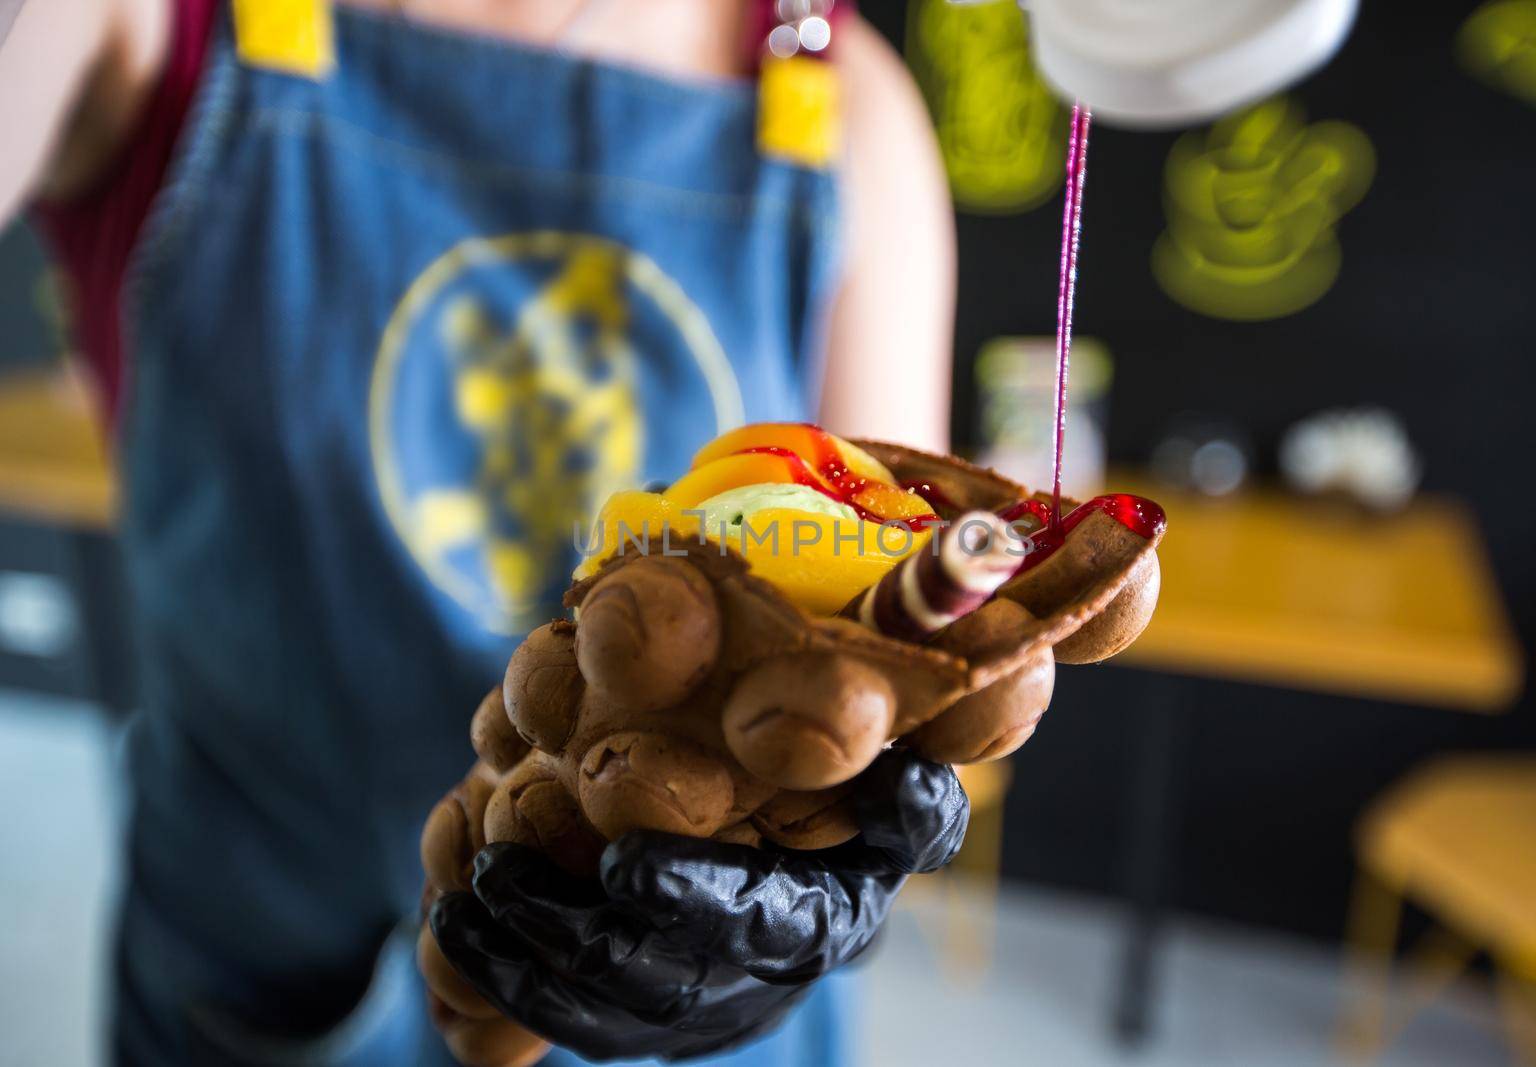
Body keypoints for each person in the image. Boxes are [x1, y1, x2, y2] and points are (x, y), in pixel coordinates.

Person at [0, 0, 961, 1064]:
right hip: (258, 971)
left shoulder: (843, 107)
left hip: (669, 978)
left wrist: (820, 873)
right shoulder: (144, 25)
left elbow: (888, 639)